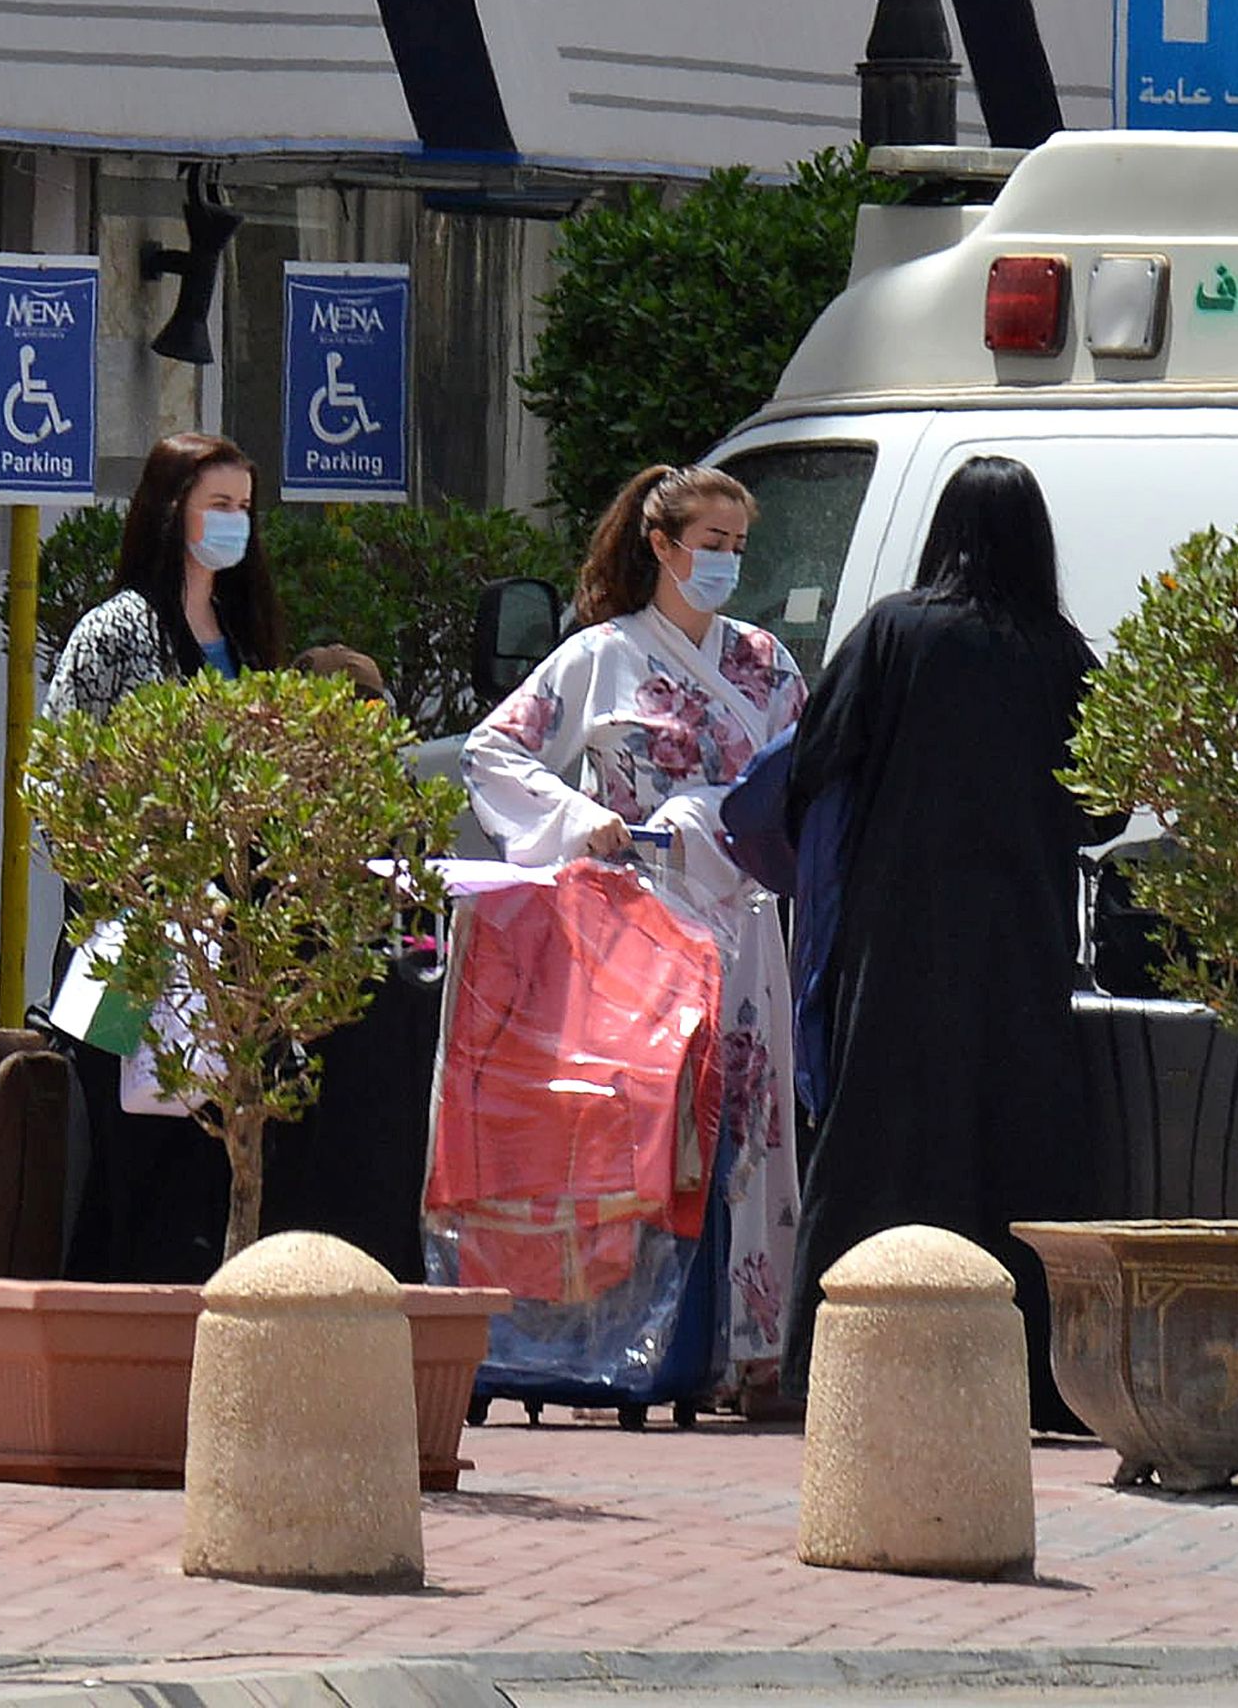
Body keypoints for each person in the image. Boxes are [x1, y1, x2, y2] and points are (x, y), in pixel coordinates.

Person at [777, 457, 1124, 1429]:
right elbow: (1105, 808)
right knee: (1015, 1140)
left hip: (894, 933)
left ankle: (844, 1355)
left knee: (877, 1139)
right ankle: (1031, 1373)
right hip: (1022, 938)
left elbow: (814, 760)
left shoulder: (894, 631)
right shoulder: (1062, 654)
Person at [463, 463, 808, 1400]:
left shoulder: (767, 662)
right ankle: (626, 1341)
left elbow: (805, 778)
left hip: (742, 918)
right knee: (640, 1124)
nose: (724, 562)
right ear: (661, 545)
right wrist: (581, 819)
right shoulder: (596, 657)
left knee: (748, 1121)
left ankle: (748, 1345)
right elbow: (494, 750)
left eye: (737, 547)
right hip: (636, 922)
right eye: (710, 544)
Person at [41, 432, 283, 1282]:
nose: (235, 522)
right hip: (130, 938)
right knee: (124, 1147)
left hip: (230, 942)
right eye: (218, 504)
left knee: (210, 1154)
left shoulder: (244, 631)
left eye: (243, 507)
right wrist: (139, 884)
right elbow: (59, 784)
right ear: (170, 509)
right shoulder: (114, 632)